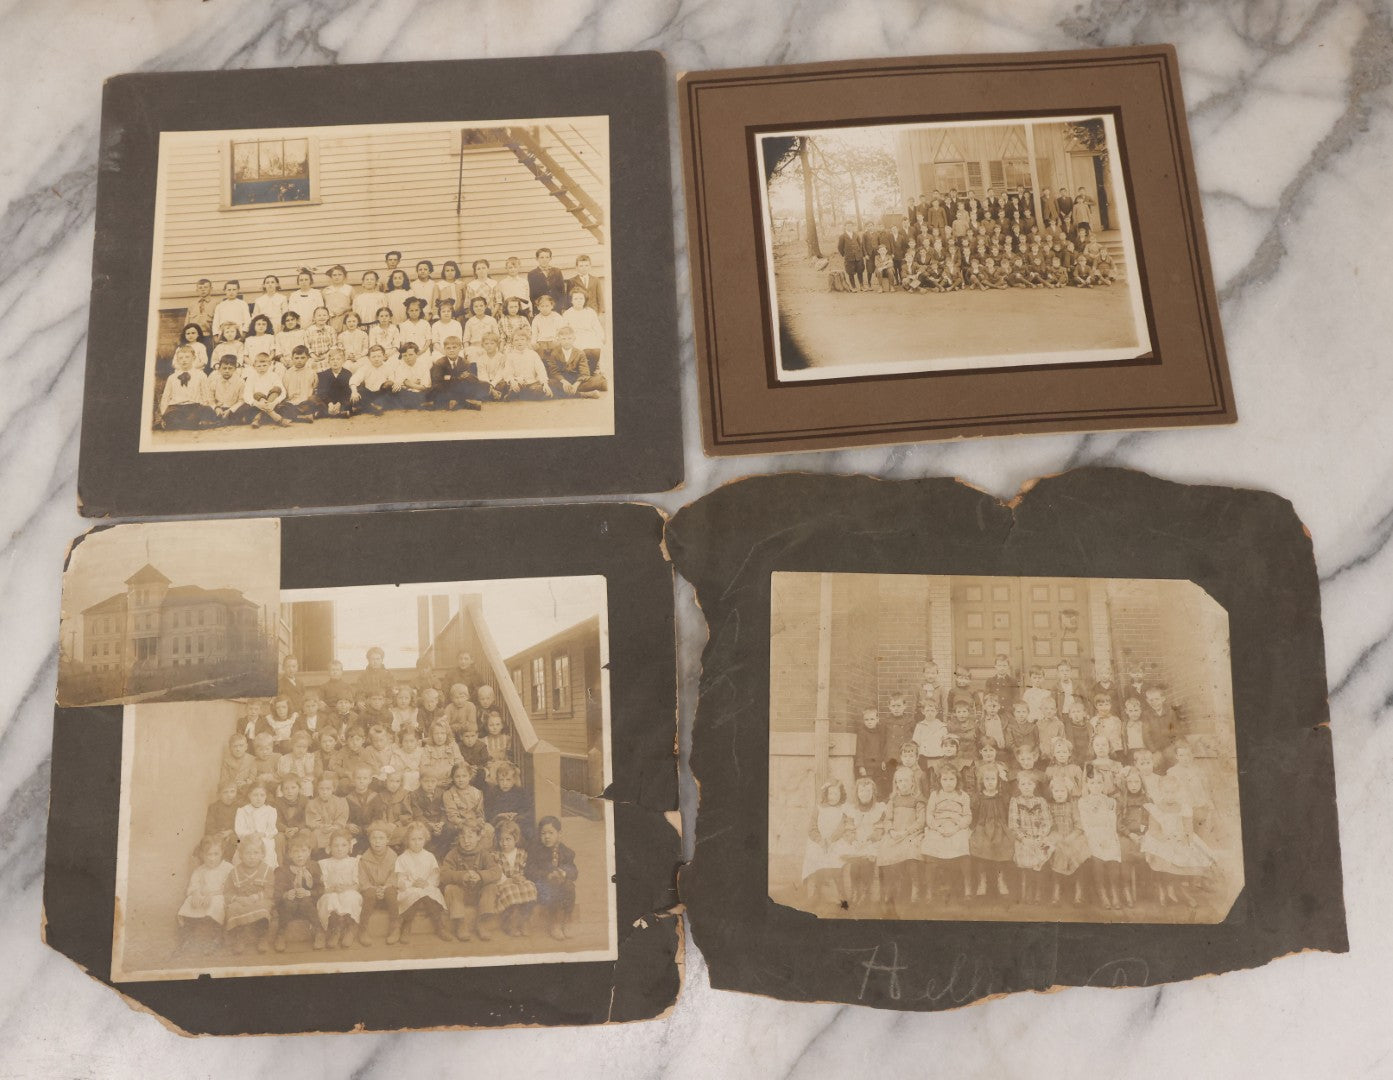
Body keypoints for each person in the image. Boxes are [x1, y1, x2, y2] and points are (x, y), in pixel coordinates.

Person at [441, 817, 501, 941]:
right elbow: (444, 874)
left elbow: (496, 872)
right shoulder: (453, 854)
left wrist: (480, 875)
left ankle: (481, 922)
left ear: (479, 837)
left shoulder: (484, 854)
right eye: (462, 837)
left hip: (478, 896)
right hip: (460, 896)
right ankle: (461, 923)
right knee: (450, 888)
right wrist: (462, 876)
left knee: (491, 887)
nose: (466, 841)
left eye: (470, 836)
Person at [394, 821, 453, 943]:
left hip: (426, 886)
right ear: (407, 840)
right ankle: (406, 925)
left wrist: (427, 883)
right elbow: (400, 879)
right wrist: (411, 884)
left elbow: (434, 876)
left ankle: (439, 926)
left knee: (429, 893)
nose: (416, 843)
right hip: (410, 888)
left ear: (425, 839)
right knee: (414, 894)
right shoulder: (402, 858)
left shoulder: (429, 856)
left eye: (420, 839)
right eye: (413, 839)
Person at [920, 764, 972, 901]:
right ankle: (929, 890)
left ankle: (967, 888)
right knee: (931, 846)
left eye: (951, 780)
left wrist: (956, 828)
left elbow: (967, 816)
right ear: (939, 781)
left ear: (957, 780)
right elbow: (929, 815)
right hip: (939, 826)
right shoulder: (935, 795)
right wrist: (937, 828)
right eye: (945, 780)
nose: (948, 783)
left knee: (963, 844)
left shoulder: (963, 796)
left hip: (957, 827)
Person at [876, 766, 924, 915]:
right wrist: (891, 831)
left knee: (912, 852)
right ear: (896, 784)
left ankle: (915, 886)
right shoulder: (893, 800)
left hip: (912, 834)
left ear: (912, 783)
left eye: (906, 781)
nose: (902, 784)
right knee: (884, 850)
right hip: (895, 833)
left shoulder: (918, 800)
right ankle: (886, 890)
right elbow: (888, 819)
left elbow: (921, 821)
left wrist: (906, 832)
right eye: (899, 781)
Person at [175, 836, 233, 955]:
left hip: (219, 896)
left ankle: (217, 938)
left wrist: (212, 895)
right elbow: (193, 885)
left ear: (222, 853)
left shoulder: (227, 868)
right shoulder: (200, 870)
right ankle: (188, 937)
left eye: (216, 854)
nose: (212, 858)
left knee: (216, 904)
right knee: (189, 902)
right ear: (202, 855)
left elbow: (229, 888)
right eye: (208, 855)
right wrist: (195, 894)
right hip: (202, 897)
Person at [223, 835, 276, 954]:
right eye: (248, 853)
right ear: (241, 855)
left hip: (259, 900)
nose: (252, 857)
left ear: (262, 854)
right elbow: (227, 892)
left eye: (256, 853)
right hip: (241, 901)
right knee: (232, 908)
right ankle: (239, 937)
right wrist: (238, 898)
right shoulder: (234, 872)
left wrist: (256, 897)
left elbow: (270, 890)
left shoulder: (267, 870)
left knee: (263, 908)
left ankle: (262, 937)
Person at [1078, 767, 1123, 909]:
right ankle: (1102, 893)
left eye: (1099, 783)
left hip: (1108, 835)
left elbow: (1112, 823)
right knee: (1097, 858)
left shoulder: (1110, 802)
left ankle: (1114, 892)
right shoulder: (1083, 802)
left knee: (1113, 858)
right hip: (1092, 836)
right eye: (1092, 783)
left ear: (1103, 785)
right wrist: (1098, 839)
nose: (1096, 787)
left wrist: (1108, 838)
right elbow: (1086, 824)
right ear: (1087, 785)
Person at [801, 779, 850, 905]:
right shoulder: (819, 808)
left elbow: (842, 828)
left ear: (841, 794)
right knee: (816, 857)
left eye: (836, 793)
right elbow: (812, 829)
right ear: (826, 794)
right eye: (831, 793)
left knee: (836, 862)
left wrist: (831, 840)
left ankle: (842, 896)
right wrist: (820, 841)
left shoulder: (844, 809)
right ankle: (817, 893)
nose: (833, 797)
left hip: (836, 841)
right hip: (820, 842)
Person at [528, 816, 578, 940]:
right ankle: (554, 923)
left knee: (570, 886)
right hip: (542, 886)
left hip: (561, 885)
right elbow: (529, 870)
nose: (547, 837)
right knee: (553, 886)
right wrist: (546, 875)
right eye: (543, 833)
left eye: (551, 833)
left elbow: (574, 872)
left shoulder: (566, 852)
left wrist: (564, 873)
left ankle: (567, 919)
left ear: (559, 834)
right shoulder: (536, 851)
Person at [273, 835, 324, 950]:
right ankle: (280, 934)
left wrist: (309, 893)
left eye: (303, 851)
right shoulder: (283, 870)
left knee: (305, 900)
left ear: (309, 852)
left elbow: (321, 889)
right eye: (295, 851)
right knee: (288, 902)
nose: (300, 855)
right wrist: (285, 895)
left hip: (307, 907)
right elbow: (277, 893)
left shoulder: (314, 867)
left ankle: (319, 931)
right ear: (290, 854)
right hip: (289, 908)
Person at [316, 830, 363, 950]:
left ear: (349, 847)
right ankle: (335, 929)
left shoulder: (354, 862)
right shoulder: (324, 864)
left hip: (349, 890)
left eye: (343, 845)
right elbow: (322, 886)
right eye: (335, 845)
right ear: (329, 848)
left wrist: (347, 888)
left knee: (350, 897)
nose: (339, 849)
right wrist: (331, 889)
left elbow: (357, 884)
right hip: (331, 892)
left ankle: (350, 929)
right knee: (329, 899)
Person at [1046, 776, 1089, 905]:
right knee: (1058, 851)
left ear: (1068, 793)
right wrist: (1057, 837)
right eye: (1056, 791)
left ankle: (1078, 893)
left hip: (1073, 836)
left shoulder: (1072, 806)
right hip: (1055, 837)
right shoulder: (1049, 806)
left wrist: (1071, 836)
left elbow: (1079, 825)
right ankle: (1056, 892)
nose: (1059, 794)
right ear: (1052, 793)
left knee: (1078, 852)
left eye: (1062, 791)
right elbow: (1048, 825)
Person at [493, 819, 539, 936]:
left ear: (516, 839)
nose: (504, 843)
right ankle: (511, 922)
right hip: (505, 883)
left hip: (519, 882)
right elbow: (496, 872)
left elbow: (525, 869)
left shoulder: (522, 853)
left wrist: (522, 877)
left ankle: (524, 920)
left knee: (530, 887)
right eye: (501, 840)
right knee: (509, 891)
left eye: (508, 839)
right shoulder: (496, 856)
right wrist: (508, 880)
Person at [356, 823, 400, 945]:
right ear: (369, 840)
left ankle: (395, 927)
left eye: (381, 838)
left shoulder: (393, 857)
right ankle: (363, 929)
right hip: (371, 896)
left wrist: (385, 887)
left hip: (387, 894)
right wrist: (374, 889)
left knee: (391, 891)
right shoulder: (364, 859)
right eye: (374, 838)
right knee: (369, 893)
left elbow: (395, 876)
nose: (377, 842)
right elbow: (362, 880)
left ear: (387, 840)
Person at [157, 345, 211, 430]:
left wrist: (204, 409)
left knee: (193, 419)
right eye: (181, 358)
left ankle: (190, 422)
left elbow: (205, 394)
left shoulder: (201, 375)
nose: (184, 360)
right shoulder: (172, 377)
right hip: (176, 407)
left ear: (193, 358)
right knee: (172, 419)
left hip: (194, 406)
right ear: (177, 360)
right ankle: (177, 423)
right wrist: (164, 414)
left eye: (187, 357)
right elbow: (166, 397)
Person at [544, 325, 606, 398]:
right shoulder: (554, 353)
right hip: (561, 381)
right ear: (559, 340)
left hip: (577, 381)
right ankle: (584, 394)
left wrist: (576, 384)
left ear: (574, 339)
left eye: (569, 338)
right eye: (563, 339)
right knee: (551, 384)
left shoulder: (580, 353)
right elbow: (553, 371)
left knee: (595, 380)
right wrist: (564, 382)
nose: (567, 342)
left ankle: (572, 391)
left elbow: (585, 372)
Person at [502, 326, 553, 399]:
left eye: (522, 339)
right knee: (511, 385)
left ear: (527, 341)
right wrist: (512, 381)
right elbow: (508, 372)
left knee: (538, 389)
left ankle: (527, 394)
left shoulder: (533, 354)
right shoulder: (510, 356)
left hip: (532, 383)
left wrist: (545, 384)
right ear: (512, 342)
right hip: (517, 382)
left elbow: (540, 370)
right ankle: (515, 393)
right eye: (516, 340)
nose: (519, 342)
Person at [314, 348, 354, 418]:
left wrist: (339, 403)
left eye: (338, 359)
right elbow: (322, 392)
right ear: (328, 362)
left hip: (342, 400)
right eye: (332, 359)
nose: (335, 362)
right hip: (328, 401)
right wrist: (330, 404)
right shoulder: (323, 375)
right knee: (315, 399)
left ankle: (325, 414)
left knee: (351, 400)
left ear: (343, 361)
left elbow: (347, 392)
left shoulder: (347, 374)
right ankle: (340, 413)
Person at [527, 247, 568, 312]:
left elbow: (562, 291)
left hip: (556, 307)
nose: (544, 260)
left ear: (550, 258)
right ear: (537, 259)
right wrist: (538, 307)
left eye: (547, 257)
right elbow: (532, 294)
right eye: (542, 257)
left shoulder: (557, 271)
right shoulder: (532, 274)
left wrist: (561, 306)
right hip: (541, 308)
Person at [837, 222, 867, 292]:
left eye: (851, 226)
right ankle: (853, 287)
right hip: (849, 257)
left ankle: (861, 286)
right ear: (845, 227)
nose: (849, 227)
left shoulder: (856, 235)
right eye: (848, 226)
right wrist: (844, 254)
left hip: (858, 257)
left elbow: (860, 245)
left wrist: (860, 254)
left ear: (852, 227)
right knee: (850, 272)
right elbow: (840, 247)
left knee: (860, 271)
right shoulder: (842, 236)